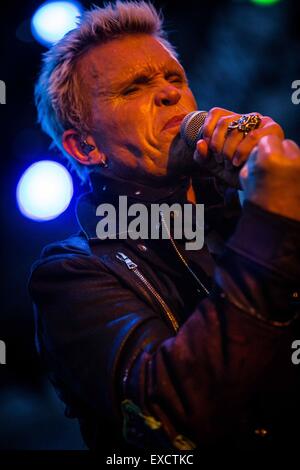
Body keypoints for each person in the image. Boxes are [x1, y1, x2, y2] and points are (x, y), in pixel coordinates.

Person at [29, 1, 300, 452]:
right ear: (85, 147)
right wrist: (269, 227)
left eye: (174, 78)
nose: (171, 93)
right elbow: (168, 416)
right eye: (134, 88)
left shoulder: (242, 212)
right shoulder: (70, 275)